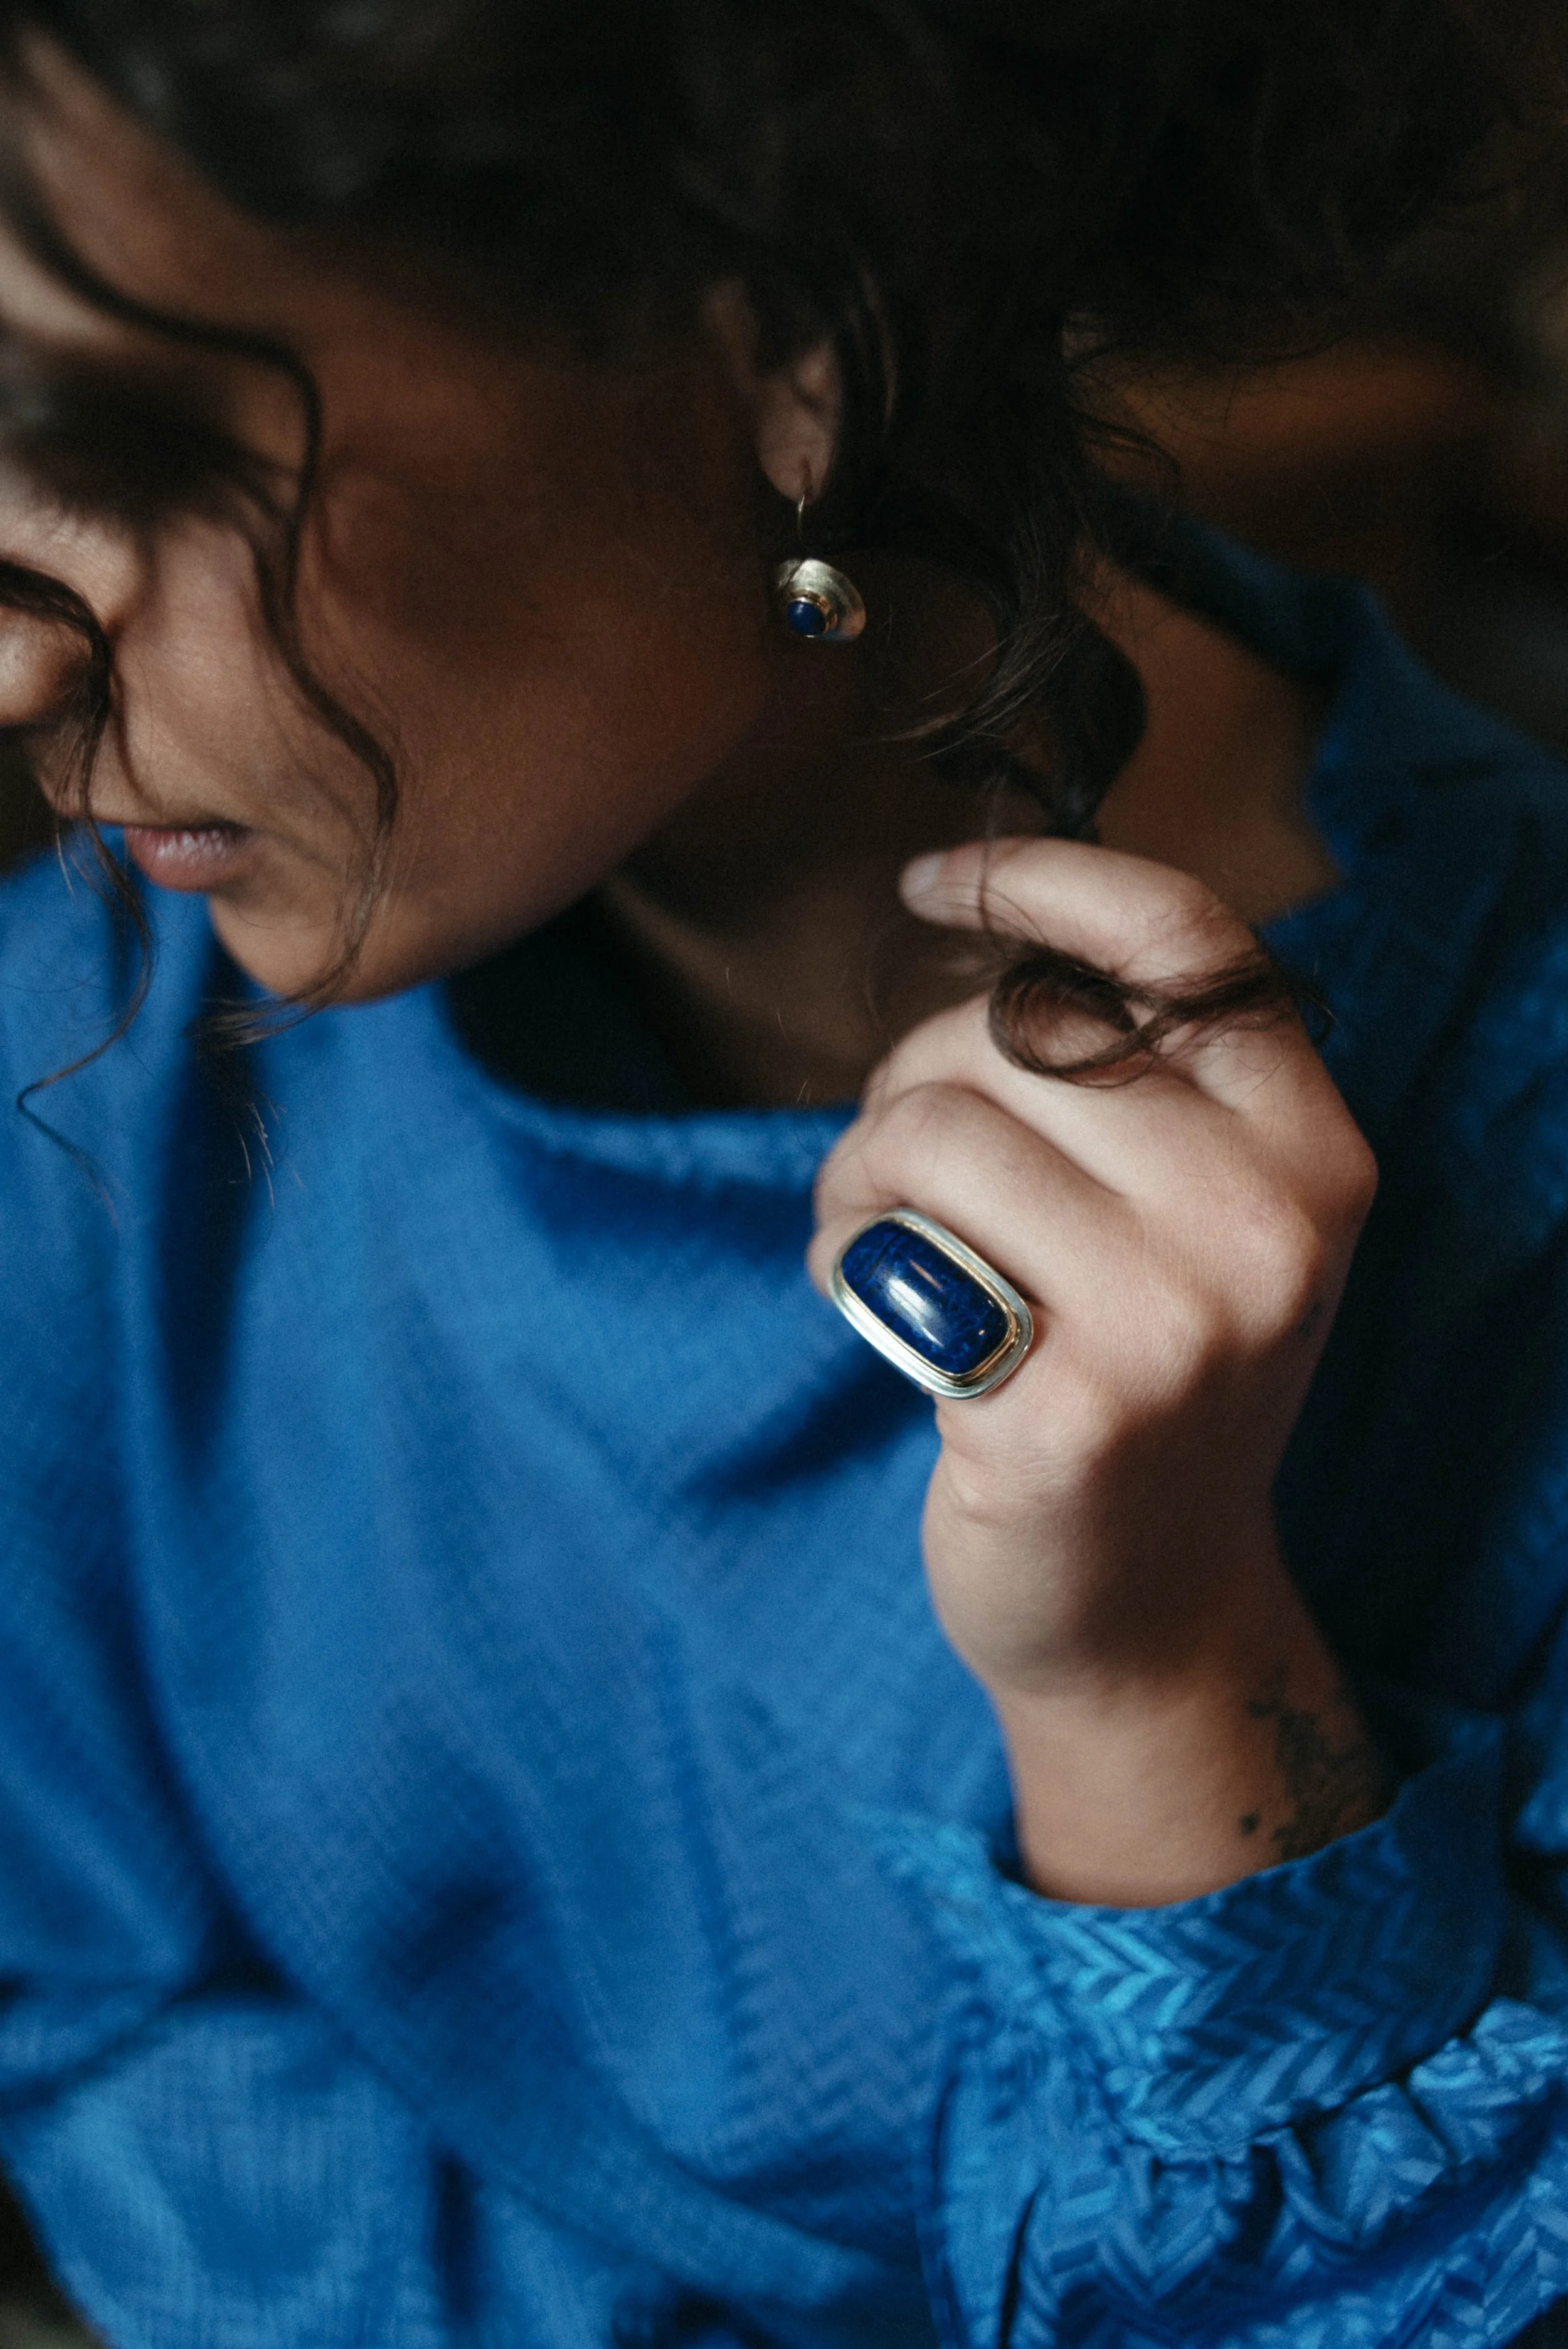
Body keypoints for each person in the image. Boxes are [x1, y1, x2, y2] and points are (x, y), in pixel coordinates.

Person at [1, 3, 1567, 2341]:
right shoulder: (117, 1024)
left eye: (114, 449)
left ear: (793, 334)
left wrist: (1158, 1692)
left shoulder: (1512, 1185)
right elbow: (101, 2020)